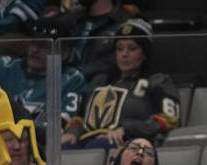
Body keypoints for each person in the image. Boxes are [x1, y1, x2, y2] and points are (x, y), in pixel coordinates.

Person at [61, 20, 181, 149]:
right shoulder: (98, 81)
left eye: (132, 48)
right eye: (119, 48)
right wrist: (72, 132)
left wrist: (127, 130)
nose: (124, 54)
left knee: (99, 146)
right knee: (62, 148)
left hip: (127, 143)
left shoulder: (159, 81)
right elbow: (79, 117)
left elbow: (169, 120)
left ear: (145, 54)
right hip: (87, 139)